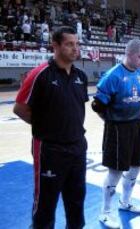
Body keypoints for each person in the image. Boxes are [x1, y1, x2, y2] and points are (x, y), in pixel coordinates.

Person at [13, 26, 89, 229]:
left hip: (77, 148)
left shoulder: (81, 76)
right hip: (50, 150)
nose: (75, 48)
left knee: (76, 201)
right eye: (69, 44)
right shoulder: (39, 75)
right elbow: (19, 109)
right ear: (55, 46)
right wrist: (46, 125)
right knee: (45, 206)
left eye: (77, 44)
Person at [92, 39, 140, 228]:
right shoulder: (112, 76)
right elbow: (97, 106)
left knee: (136, 166)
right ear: (129, 54)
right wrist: (111, 121)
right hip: (117, 129)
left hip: (136, 126)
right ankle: (105, 212)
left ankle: (125, 202)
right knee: (115, 172)